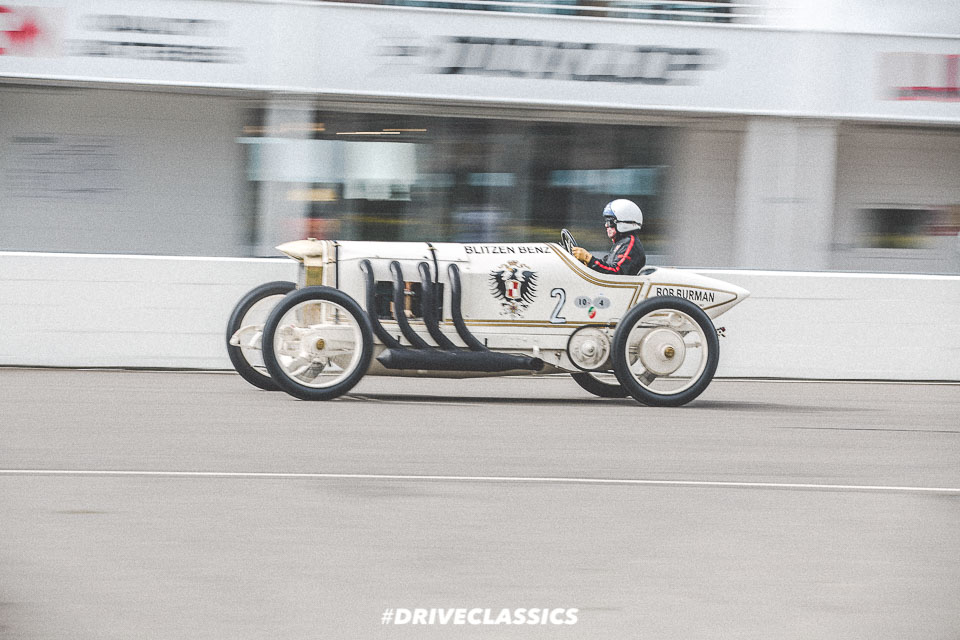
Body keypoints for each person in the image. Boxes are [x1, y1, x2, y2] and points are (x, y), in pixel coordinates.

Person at [572, 199, 646, 275]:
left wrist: (588, 258)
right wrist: (587, 263)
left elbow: (616, 271)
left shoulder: (630, 242)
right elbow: (606, 265)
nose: (606, 225)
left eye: (610, 222)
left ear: (623, 223)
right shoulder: (621, 243)